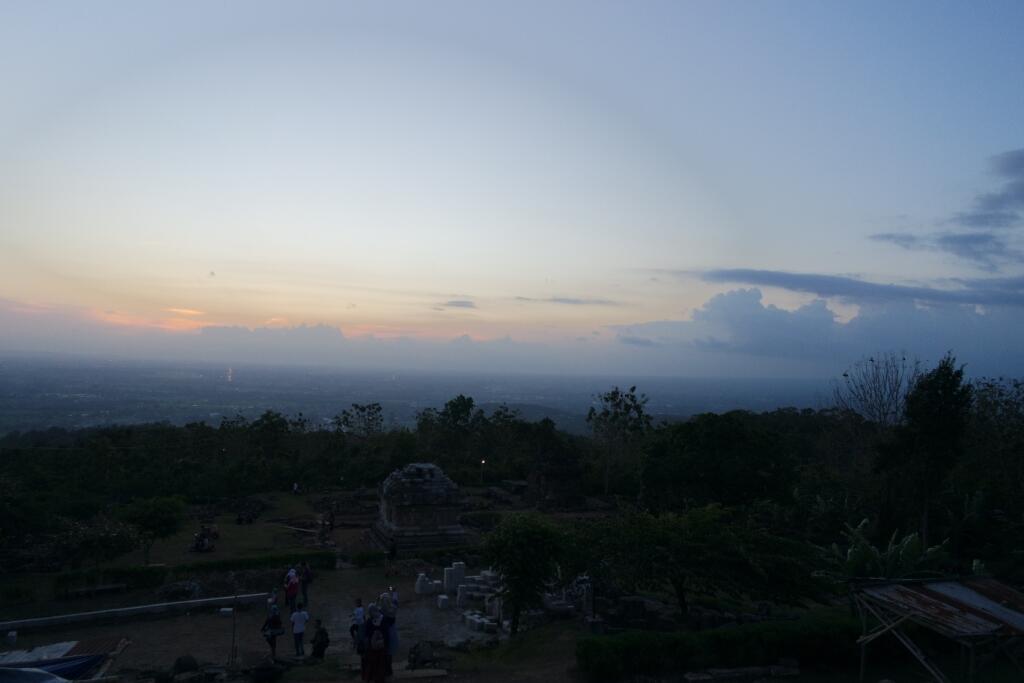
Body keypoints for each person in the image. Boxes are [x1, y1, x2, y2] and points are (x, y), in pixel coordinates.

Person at [360, 604, 393, 683]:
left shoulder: (371, 621)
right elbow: (386, 635)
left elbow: (367, 635)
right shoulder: (381, 620)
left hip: (376, 648)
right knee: (379, 665)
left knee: (377, 665)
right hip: (378, 648)